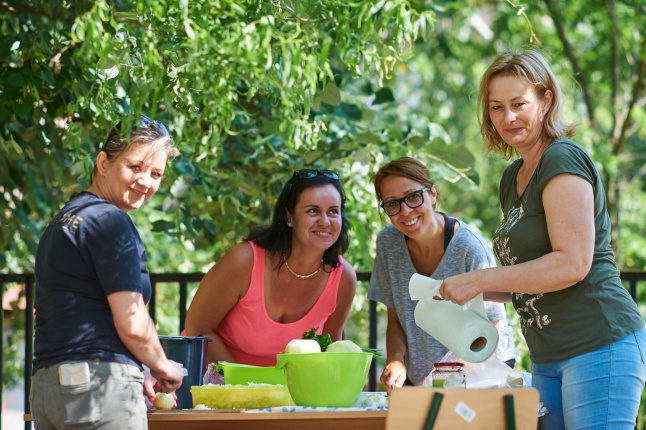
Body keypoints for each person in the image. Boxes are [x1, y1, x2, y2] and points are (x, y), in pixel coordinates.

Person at [438, 47, 646, 429]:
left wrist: (480, 279)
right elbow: (526, 277)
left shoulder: (562, 158)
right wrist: (460, 290)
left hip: (598, 343)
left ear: (546, 100)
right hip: (547, 356)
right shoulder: (512, 177)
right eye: (497, 107)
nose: (508, 117)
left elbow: (572, 264)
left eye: (519, 103)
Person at [31, 115, 185, 430]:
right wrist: (164, 366)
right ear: (103, 163)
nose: (146, 182)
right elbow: (132, 321)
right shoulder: (110, 221)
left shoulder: (65, 220)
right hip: (98, 388)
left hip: (48, 388)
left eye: (156, 174)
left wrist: (138, 368)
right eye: (136, 167)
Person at [368, 156, 517, 392]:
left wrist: (455, 372)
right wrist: (395, 360)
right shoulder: (388, 243)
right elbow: (395, 320)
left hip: (478, 377)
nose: (405, 211)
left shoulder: (469, 247)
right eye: (392, 203)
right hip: (422, 381)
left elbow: (494, 325)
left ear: (433, 194)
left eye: (413, 196)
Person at [185, 169, 357, 366]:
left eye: (333, 211)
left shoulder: (343, 278)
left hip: (281, 392)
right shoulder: (244, 260)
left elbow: (329, 349)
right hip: (208, 380)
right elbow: (197, 327)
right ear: (290, 217)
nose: (325, 222)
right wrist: (242, 385)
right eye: (313, 211)